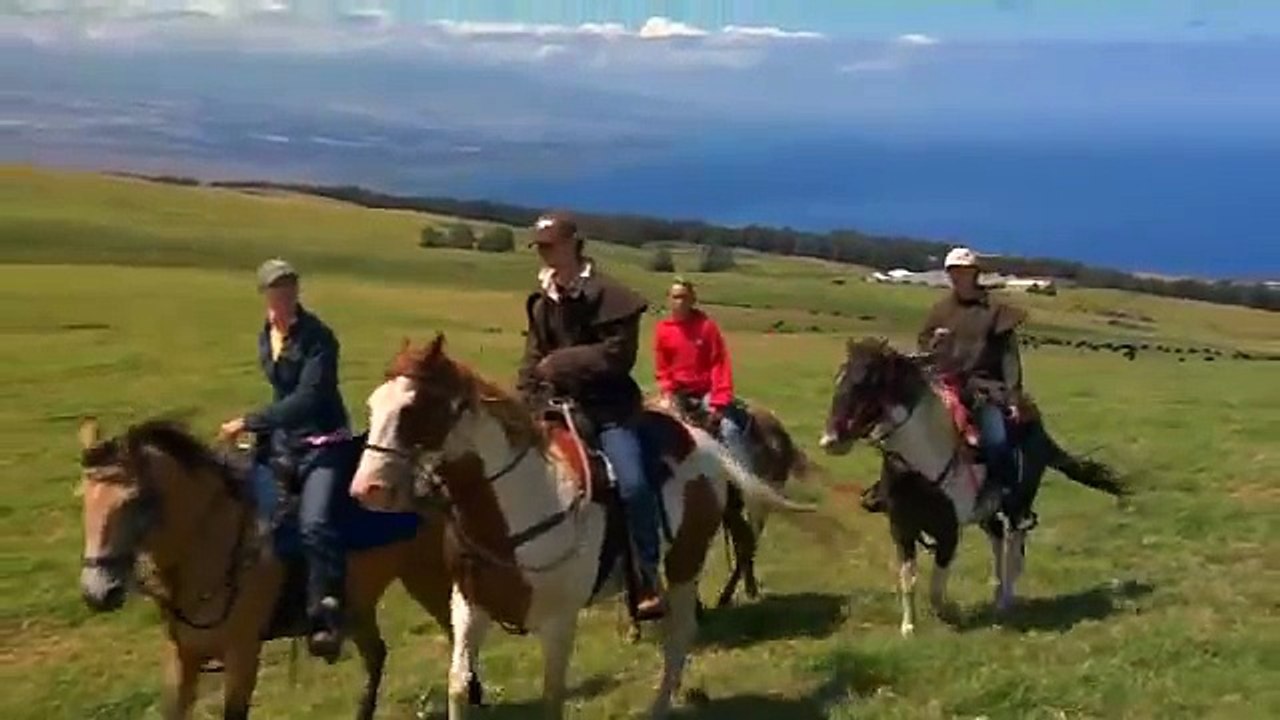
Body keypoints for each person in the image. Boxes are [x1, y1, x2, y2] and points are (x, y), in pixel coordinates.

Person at [514, 212, 666, 620]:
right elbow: (532, 358)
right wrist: (526, 396)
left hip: (609, 410)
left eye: (550, 245)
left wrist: (558, 364)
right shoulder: (544, 299)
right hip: (556, 409)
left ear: (572, 245)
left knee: (632, 484)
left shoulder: (611, 295)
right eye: (540, 247)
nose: (544, 253)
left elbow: (617, 356)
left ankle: (646, 574)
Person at [219, 258, 352, 660]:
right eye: (277, 288)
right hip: (283, 442)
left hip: (324, 445)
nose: (285, 295)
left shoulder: (319, 338)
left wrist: (250, 421)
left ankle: (327, 611)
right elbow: (282, 392)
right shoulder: (267, 334)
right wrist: (264, 433)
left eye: (290, 287)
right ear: (265, 293)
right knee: (251, 514)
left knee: (313, 523)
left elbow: (310, 398)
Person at [917, 246, 1034, 530]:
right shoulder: (940, 310)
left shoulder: (996, 312)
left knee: (995, 438)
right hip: (946, 384)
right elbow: (922, 346)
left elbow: (1010, 358)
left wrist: (1014, 395)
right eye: (953, 272)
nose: (957, 277)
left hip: (985, 388)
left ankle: (1004, 493)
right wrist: (934, 343)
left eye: (963, 272)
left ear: (974, 274)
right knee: (908, 426)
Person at [653, 278, 752, 469]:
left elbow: (719, 363)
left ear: (692, 300)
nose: (679, 302)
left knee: (729, 430)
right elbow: (662, 368)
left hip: (706, 391)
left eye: (684, 297)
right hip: (677, 392)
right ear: (668, 300)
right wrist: (667, 391)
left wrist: (719, 402)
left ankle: (746, 476)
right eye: (675, 297)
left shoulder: (706, 327)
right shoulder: (663, 330)